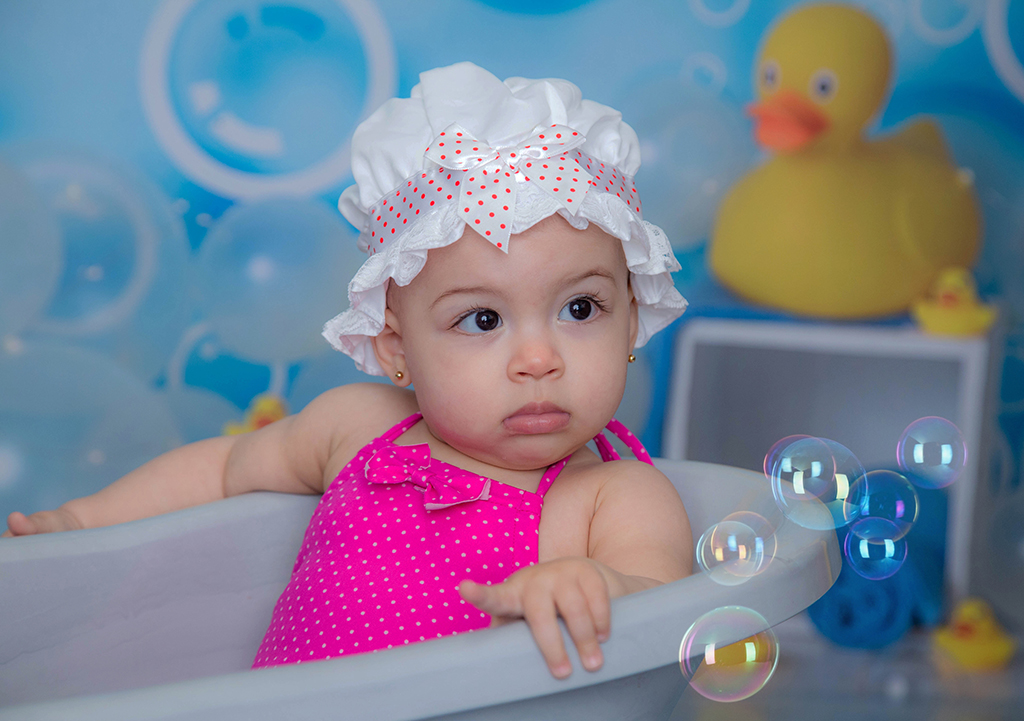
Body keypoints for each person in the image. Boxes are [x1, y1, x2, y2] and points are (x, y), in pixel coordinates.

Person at [2, 62, 693, 680]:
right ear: (395, 348)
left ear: (632, 318)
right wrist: (85, 520)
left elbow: (662, 601)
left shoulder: (612, 496)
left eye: (580, 308)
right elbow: (222, 469)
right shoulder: (359, 428)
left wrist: (596, 585)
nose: (539, 359)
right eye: (482, 319)